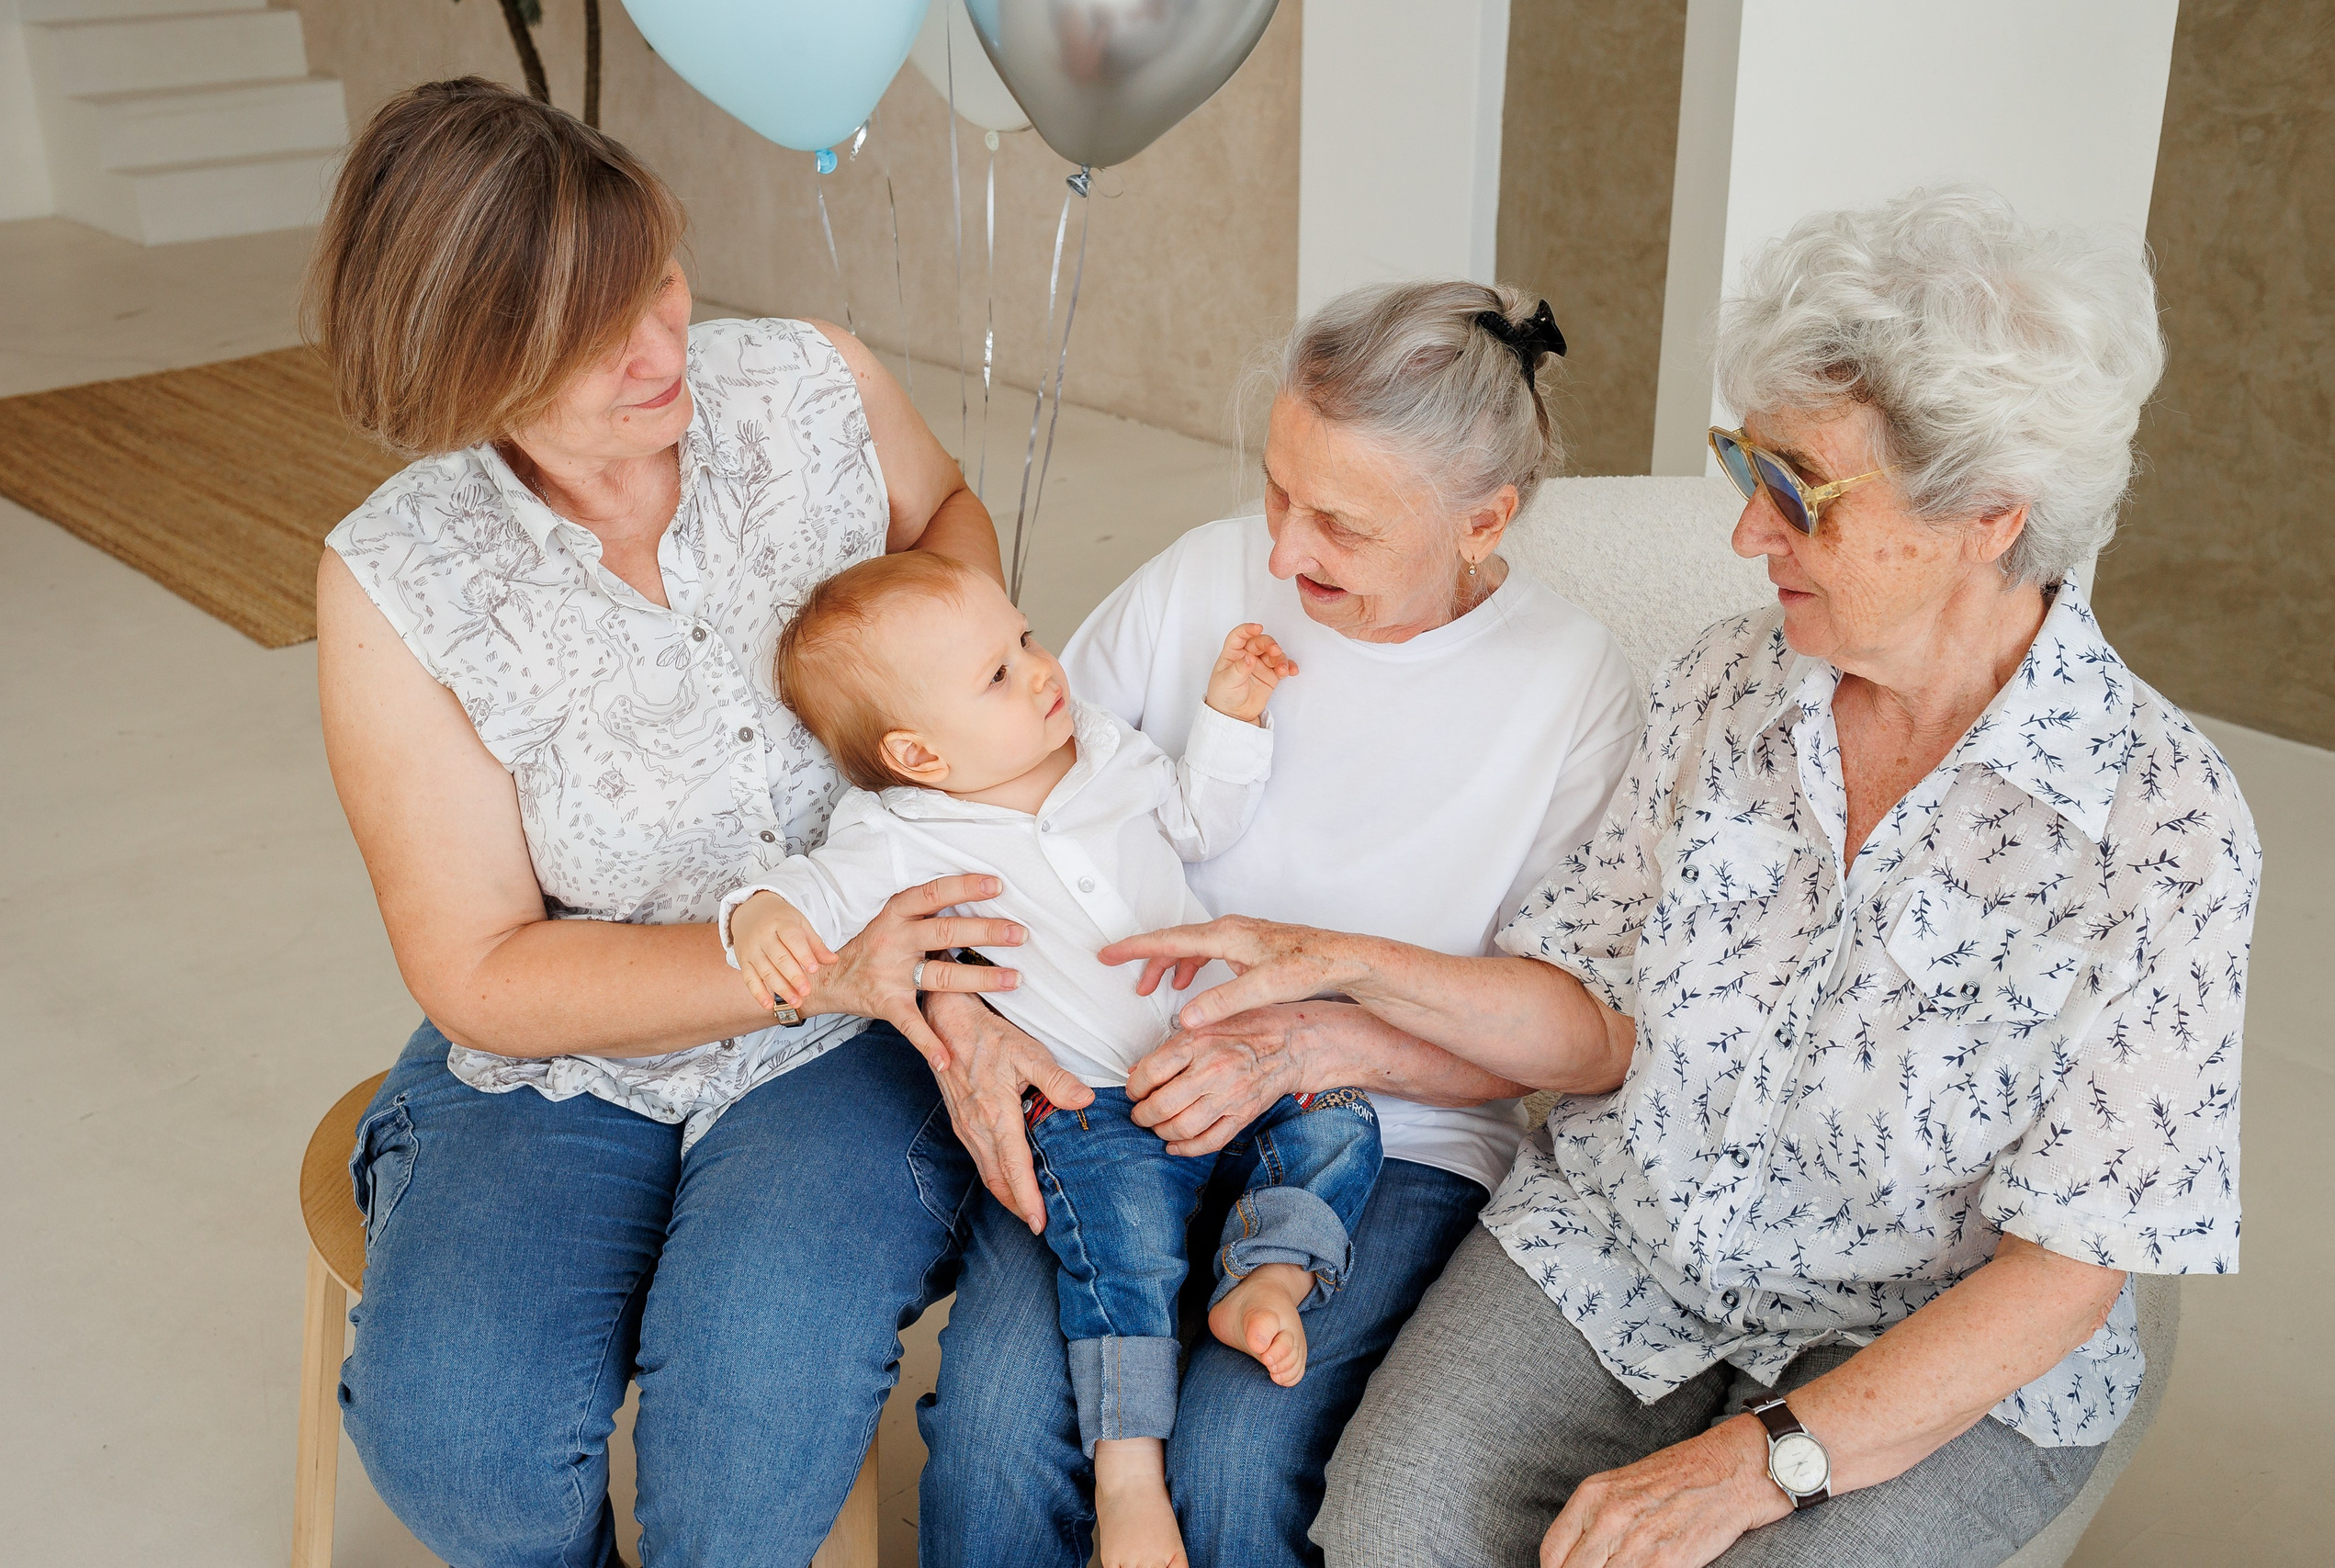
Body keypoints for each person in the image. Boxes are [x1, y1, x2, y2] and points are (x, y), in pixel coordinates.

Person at [1107, 188, 2261, 1568]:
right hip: (1619, 1246)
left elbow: (2068, 1270)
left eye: (1797, 494)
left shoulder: (2165, 828)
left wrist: (1756, 1460)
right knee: (1385, 1534)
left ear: (1987, 517)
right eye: (1743, 467)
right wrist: (1343, 971)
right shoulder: (1726, 684)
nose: (1745, 537)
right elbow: (1592, 1018)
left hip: (1921, 1334)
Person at [310, 80, 1055, 1567]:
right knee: (467, 1455)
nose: (659, 350)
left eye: (655, 276)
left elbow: (946, 518)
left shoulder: (805, 382)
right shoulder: (396, 577)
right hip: (576, 1035)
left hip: (860, 1027)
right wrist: (793, 959)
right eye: (586, 336)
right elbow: (482, 969)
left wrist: (927, 697)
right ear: (466, 362)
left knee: (738, 1456)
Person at [911, 280, 1646, 1568]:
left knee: (1239, 1464)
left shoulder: (1574, 688)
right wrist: (965, 1017)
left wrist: (1311, 1043)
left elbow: (1562, 1036)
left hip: (1396, 1135)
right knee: (995, 1429)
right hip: (1118, 1090)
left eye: (1344, 527)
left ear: (1487, 519)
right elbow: (987, 809)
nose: (1287, 553)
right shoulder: (1205, 572)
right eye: (1276, 491)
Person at [722, 551, 1374, 1568]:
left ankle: (1272, 1274)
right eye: (997, 675)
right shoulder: (896, 834)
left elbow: (1200, 820)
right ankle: (1128, 1478)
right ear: (920, 754)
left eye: (1024, 639)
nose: (1040, 669)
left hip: (1217, 1060)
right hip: (1091, 1110)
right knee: (1120, 1259)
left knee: (1339, 1109)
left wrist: (1230, 714)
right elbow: (808, 895)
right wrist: (759, 912)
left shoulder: (1104, 752)